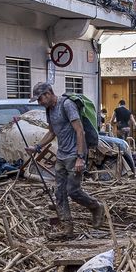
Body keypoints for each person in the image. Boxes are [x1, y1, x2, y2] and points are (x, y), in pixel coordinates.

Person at [28, 82, 105, 237]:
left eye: (40, 99)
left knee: (73, 190)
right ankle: (67, 228)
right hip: (62, 155)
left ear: (49, 93)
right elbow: (51, 133)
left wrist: (80, 157)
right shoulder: (49, 110)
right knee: (59, 192)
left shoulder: (67, 105)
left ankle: (96, 207)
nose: (40, 102)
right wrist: (37, 147)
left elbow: (80, 131)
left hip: (73, 155)